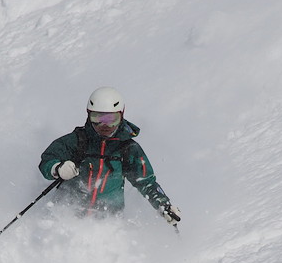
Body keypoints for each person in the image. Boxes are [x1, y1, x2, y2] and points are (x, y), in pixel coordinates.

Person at [39, 86, 181, 224]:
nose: (104, 125)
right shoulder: (77, 141)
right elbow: (48, 159)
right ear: (88, 115)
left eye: (111, 119)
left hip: (107, 224)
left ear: (121, 115)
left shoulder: (128, 148)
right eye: (97, 118)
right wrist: (57, 168)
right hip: (66, 217)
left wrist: (165, 206)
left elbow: (147, 183)